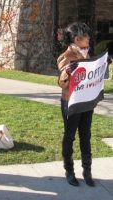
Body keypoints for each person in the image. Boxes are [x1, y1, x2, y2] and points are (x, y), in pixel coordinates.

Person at [57, 22, 95, 187]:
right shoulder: (67, 56)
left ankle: (87, 171)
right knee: (70, 136)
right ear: (77, 39)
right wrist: (67, 72)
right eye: (85, 36)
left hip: (87, 101)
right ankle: (69, 171)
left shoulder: (87, 53)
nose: (89, 38)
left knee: (86, 136)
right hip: (71, 102)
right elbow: (62, 83)